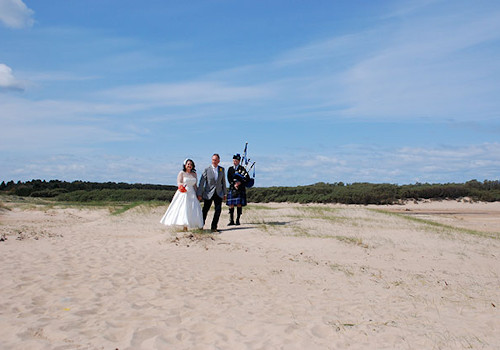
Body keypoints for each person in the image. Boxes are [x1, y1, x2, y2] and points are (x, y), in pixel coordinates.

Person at [160, 159, 203, 231]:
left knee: (194, 208)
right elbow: (179, 182)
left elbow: (195, 185)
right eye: (188, 164)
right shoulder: (182, 173)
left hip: (192, 192)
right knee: (184, 208)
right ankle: (184, 225)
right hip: (184, 193)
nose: (189, 166)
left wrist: (197, 193)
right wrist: (182, 187)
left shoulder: (194, 174)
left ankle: (197, 224)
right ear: (185, 165)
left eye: (191, 164)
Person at [197, 154, 227, 232]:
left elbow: (223, 182)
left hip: (218, 193)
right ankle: (201, 225)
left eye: (216, 160)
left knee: (218, 210)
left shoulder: (222, 170)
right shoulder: (207, 169)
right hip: (208, 193)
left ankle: (214, 227)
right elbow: (201, 182)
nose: (214, 161)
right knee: (205, 210)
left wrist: (225, 193)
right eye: (213, 160)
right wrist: (199, 193)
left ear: (219, 161)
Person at [226, 153, 251, 225]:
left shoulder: (242, 169)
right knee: (231, 204)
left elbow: (247, 178)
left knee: (239, 204)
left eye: (236, 160)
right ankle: (231, 220)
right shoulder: (230, 169)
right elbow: (229, 178)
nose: (234, 162)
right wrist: (234, 184)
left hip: (240, 189)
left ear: (239, 161)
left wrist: (240, 183)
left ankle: (237, 220)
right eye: (234, 160)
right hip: (232, 188)